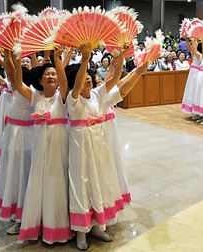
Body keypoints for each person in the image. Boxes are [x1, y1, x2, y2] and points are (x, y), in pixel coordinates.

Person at [66, 43, 148, 251]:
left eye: (88, 76)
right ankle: (81, 231)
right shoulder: (72, 100)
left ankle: (98, 226)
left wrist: (120, 56)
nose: (87, 79)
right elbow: (76, 87)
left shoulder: (97, 94)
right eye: (82, 76)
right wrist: (84, 59)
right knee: (82, 185)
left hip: (99, 146)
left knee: (100, 182)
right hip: (81, 147)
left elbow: (114, 78)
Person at [16, 45, 72, 244]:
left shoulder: (63, 97)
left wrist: (57, 59)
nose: (51, 77)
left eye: (54, 74)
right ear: (40, 80)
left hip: (59, 145)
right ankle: (37, 223)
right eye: (47, 74)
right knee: (39, 180)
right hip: (40, 147)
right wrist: (14, 58)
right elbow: (17, 83)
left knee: (57, 181)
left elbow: (65, 82)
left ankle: (57, 226)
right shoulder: (36, 96)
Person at [0, 51, 35, 236]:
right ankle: (19, 213)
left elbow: (10, 71)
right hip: (16, 136)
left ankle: (21, 218)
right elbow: (9, 72)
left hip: (22, 139)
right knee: (17, 175)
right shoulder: (27, 90)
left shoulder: (25, 91)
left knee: (20, 177)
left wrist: (11, 53)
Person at [181, 37, 201, 117]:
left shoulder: (200, 55)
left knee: (196, 91)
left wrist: (193, 40)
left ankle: (197, 110)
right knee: (191, 91)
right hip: (193, 72)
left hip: (197, 72)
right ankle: (193, 110)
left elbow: (192, 47)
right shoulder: (194, 54)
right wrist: (187, 40)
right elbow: (190, 48)